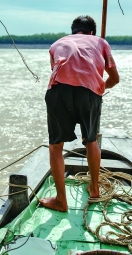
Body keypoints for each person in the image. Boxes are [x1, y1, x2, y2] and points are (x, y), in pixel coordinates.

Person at [39, 15, 119, 212]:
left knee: (56, 146)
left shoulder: (57, 43)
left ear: (73, 31)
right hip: (89, 93)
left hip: (59, 92)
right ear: (92, 32)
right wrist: (99, 89)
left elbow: (58, 70)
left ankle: (60, 200)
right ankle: (94, 189)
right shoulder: (100, 42)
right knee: (91, 140)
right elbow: (115, 79)